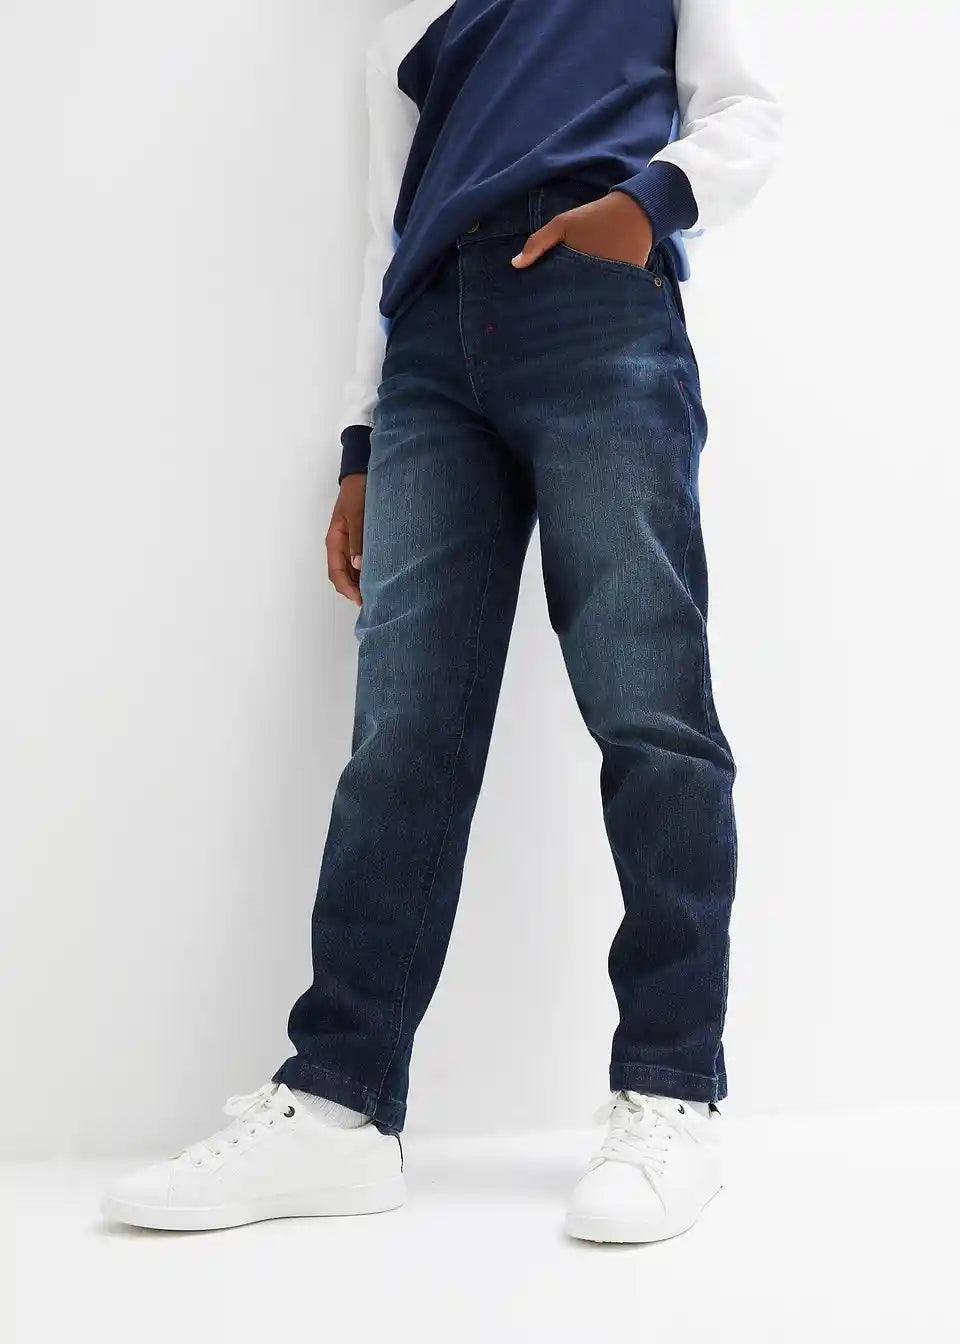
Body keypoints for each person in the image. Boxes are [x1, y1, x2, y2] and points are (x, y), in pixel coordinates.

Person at [102, 0, 782, 1242]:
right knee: (401, 735)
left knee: (649, 710)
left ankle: (670, 1090)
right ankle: (340, 1109)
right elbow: (385, 228)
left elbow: (745, 107)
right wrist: (361, 438)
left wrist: (647, 207)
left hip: (595, 303)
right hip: (427, 343)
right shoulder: (395, 24)